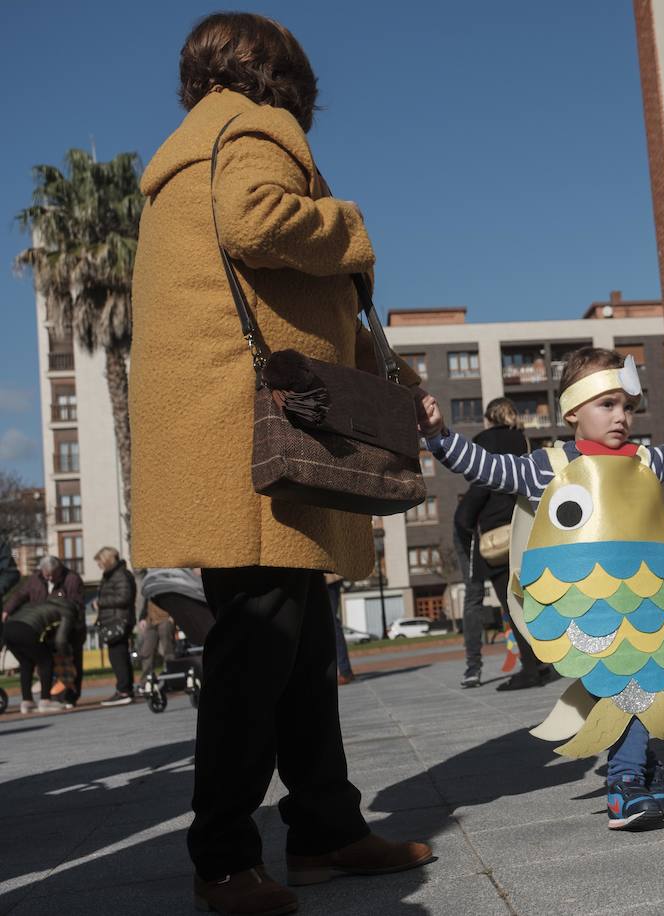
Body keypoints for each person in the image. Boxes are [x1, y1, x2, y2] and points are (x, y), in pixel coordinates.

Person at [127, 13, 433, 913]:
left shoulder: (190, 144)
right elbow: (258, 222)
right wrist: (350, 225)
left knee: (295, 651)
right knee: (256, 650)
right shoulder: (256, 126)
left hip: (229, 430)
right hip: (259, 434)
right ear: (281, 75)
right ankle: (224, 856)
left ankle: (325, 834)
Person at [424, 347, 664, 830]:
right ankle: (626, 781)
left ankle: (638, 770)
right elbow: (486, 467)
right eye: (608, 404)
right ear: (574, 410)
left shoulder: (644, 461)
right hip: (587, 605)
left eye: (628, 406)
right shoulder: (548, 466)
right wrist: (437, 436)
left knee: (634, 681)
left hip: (644, 601)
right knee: (622, 685)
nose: (621, 416)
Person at [453, 397, 548, 690]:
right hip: (524, 526)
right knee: (530, 600)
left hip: (496, 532)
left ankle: (530, 670)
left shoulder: (486, 439)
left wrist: (464, 518)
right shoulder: (523, 441)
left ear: (489, 417)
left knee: (511, 602)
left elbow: (482, 482)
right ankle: (542, 661)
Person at [3, 595, 81, 714]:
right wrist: (65, 654)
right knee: (46, 662)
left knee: (26, 664)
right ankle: (45, 700)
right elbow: (61, 640)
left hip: (7, 629)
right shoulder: (68, 611)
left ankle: (27, 702)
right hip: (27, 630)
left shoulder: (42, 604)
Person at [93, 547, 138, 706]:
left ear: (106, 560)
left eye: (99, 562)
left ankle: (124, 690)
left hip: (119, 620)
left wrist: (101, 603)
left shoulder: (120, 575)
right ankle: (125, 689)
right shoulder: (114, 575)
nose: (99, 565)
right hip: (115, 620)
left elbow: (124, 597)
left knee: (118, 656)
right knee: (119, 655)